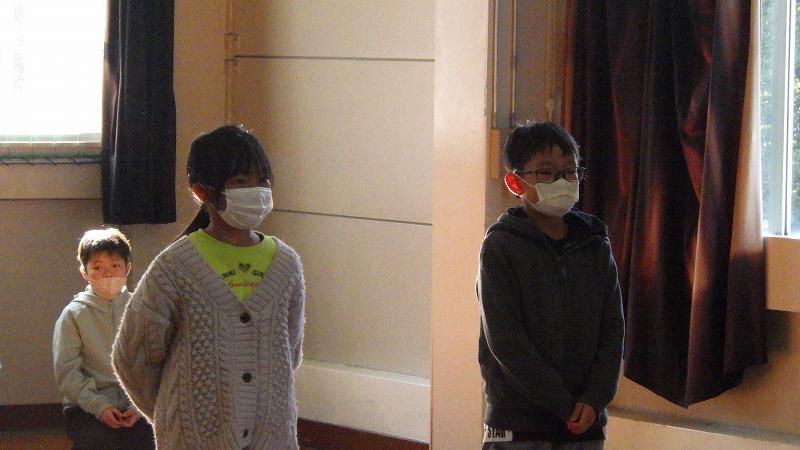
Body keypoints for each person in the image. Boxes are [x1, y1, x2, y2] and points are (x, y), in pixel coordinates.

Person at [112, 125, 305, 449]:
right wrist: (175, 412)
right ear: (203, 192)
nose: (256, 190)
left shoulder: (286, 265)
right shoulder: (175, 267)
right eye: (241, 182)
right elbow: (133, 356)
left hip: (273, 439)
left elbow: (289, 351)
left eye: (262, 180)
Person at [478, 121, 624, 450]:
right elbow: (506, 340)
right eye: (546, 173)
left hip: (585, 423)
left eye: (570, 172)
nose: (561, 182)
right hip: (519, 422)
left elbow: (613, 328)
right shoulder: (500, 247)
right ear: (515, 182)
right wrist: (561, 402)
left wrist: (595, 397)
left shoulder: (595, 243)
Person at [53, 227, 155, 450]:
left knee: (148, 439)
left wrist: (137, 407)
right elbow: (67, 372)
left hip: (136, 403)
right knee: (98, 441)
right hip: (85, 405)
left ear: (127, 268)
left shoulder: (141, 310)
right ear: (85, 272)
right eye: (98, 268)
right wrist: (99, 407)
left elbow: (153, 363)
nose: (108, 274)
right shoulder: (73, 315)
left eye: (115, 266)